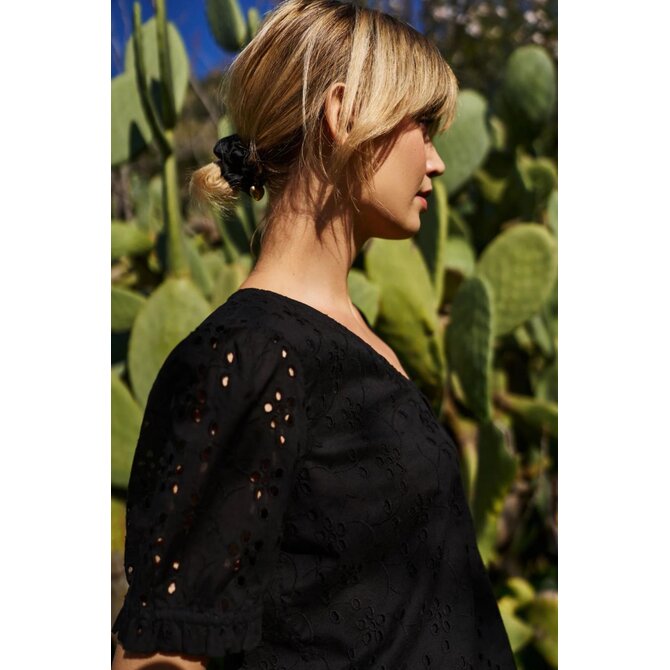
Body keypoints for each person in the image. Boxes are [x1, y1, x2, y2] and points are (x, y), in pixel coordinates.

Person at [112, 0, 518, 668]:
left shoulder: (352, 339)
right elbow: (165, 653)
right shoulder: (249, 354)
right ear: (343, 114)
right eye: (421, 125)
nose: (437, 162)